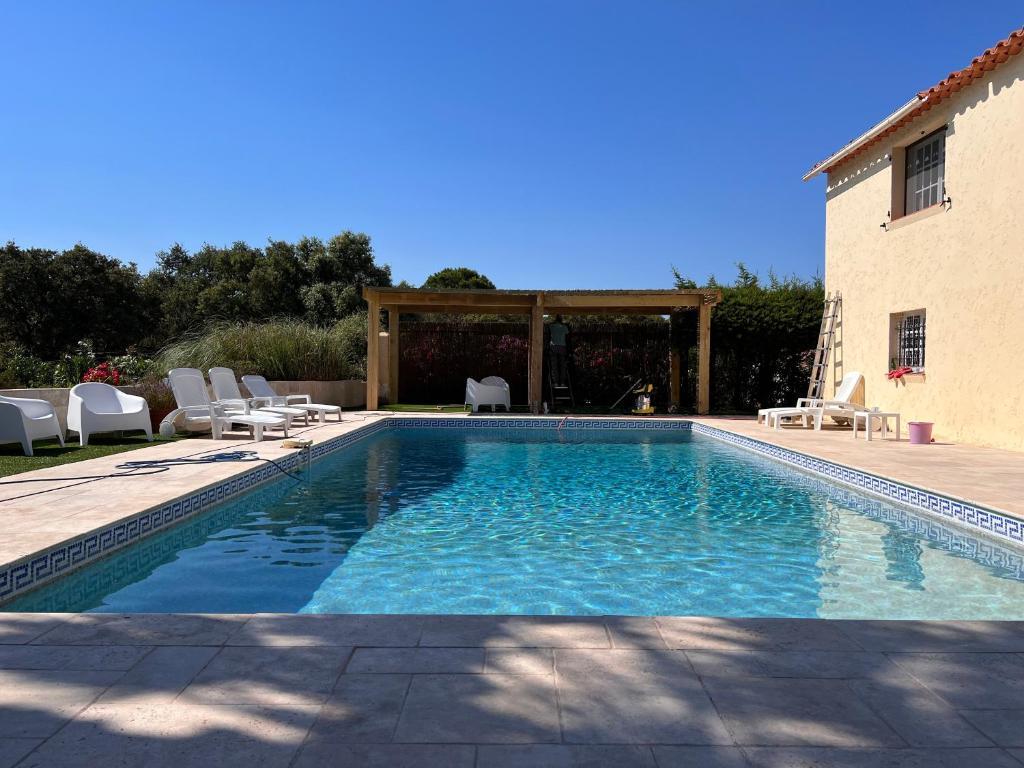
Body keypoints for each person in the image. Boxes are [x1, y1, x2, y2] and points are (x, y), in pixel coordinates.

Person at [549, 315, 569, 386]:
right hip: (562, 347)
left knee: (554, 365)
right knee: (562, 365)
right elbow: (567, 333)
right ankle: (562, 382)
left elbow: (549, 326)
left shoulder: (552, 326)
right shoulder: (564, 327)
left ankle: (556, 382)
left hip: (554, 347)